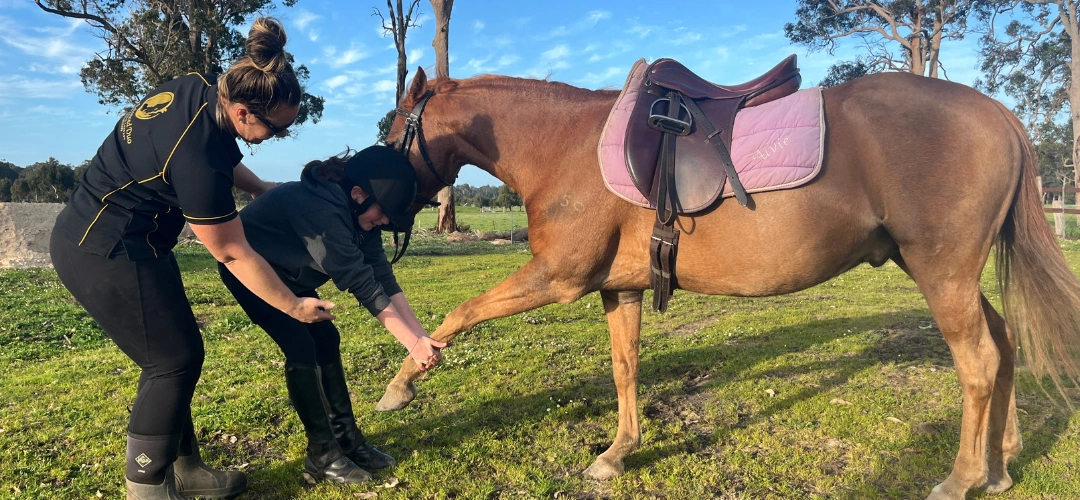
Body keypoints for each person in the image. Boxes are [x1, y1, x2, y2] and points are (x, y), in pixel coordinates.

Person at [49, 17, 335, 500]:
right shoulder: (197, 157)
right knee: (173, 360)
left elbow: (221, 155)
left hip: (135, 240)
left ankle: (185, 469)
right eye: (278, 130)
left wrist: (261, 187)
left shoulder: (200, 89)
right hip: (104, 249)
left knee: (174, 352)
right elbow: (230, 250)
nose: (280, 136)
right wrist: (294, 306)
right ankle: (147, 488)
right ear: (244, 111)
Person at [216, 145, 447, 485]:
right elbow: (361, 284)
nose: (384, 222)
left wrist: (419, 335)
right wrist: (411, 345)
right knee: (301, 346)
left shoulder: (358, 215)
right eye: (383, 213)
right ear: (357, 193)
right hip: (254, 274)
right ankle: (322, 454)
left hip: (291, 275)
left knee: (326, 338)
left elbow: (382, 276)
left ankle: (348, 439)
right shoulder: (320, 210)